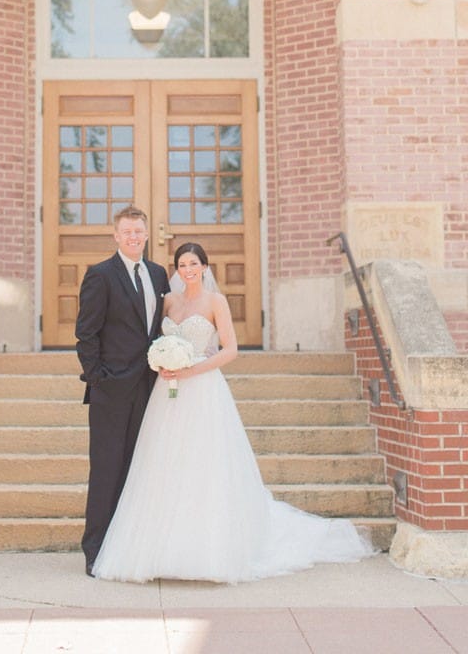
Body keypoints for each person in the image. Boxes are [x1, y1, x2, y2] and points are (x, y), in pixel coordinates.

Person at [91, 241, 376, 583]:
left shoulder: (216, 302)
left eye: (194, 263)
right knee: (164, 465)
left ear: (205, 268)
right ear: (176, 270)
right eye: (182, 264)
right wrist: (162, 363)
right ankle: (160, 548)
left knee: (203, 466)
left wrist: (191, 370)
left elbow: (230, 350)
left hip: (202, 389)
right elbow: (150, 340)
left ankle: (206, 551)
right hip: (166, 395)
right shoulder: (168, 301)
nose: (188, 269)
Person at [75, 205, 170, 576]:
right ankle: (95, 549)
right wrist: (98, 378)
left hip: (150, 388)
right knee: (107, 471)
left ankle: (130, 545)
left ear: (147, 235)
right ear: (116, 236)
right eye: (127, 232)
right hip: (110, 391)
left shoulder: (159, 274)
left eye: (138, 231)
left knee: (138, 469)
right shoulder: (100, 275)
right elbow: (86, 333)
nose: (133, 237)